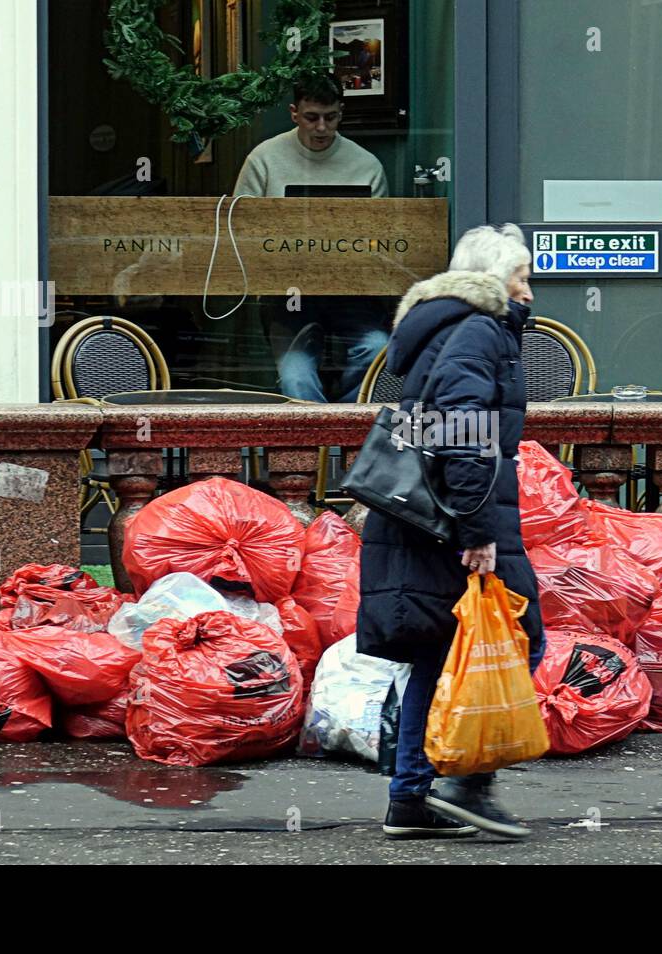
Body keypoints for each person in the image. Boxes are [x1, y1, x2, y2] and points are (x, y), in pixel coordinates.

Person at [356, 224, 545, 840]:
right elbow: (461, 429)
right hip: (453, 518)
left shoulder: (450, 327)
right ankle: (464, 782)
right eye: (522, 278)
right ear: (493, 281)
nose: (530, 293)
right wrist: (476, 531)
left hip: (426, 516)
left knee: (440, 649)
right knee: (518, 637)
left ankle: (413, 797)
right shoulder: (478, 330)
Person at [234, 75, 390, 402]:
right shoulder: (263, 159)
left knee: (377, 350)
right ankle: (317, 449)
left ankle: (347, 436)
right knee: (295, 377)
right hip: (286, 293)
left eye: (330, 117)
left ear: (341, 113)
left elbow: (381, 239)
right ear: (294, 113)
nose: (321, 127)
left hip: (352, 293)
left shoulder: (366, 165)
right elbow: (241, 232)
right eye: (311, 118)